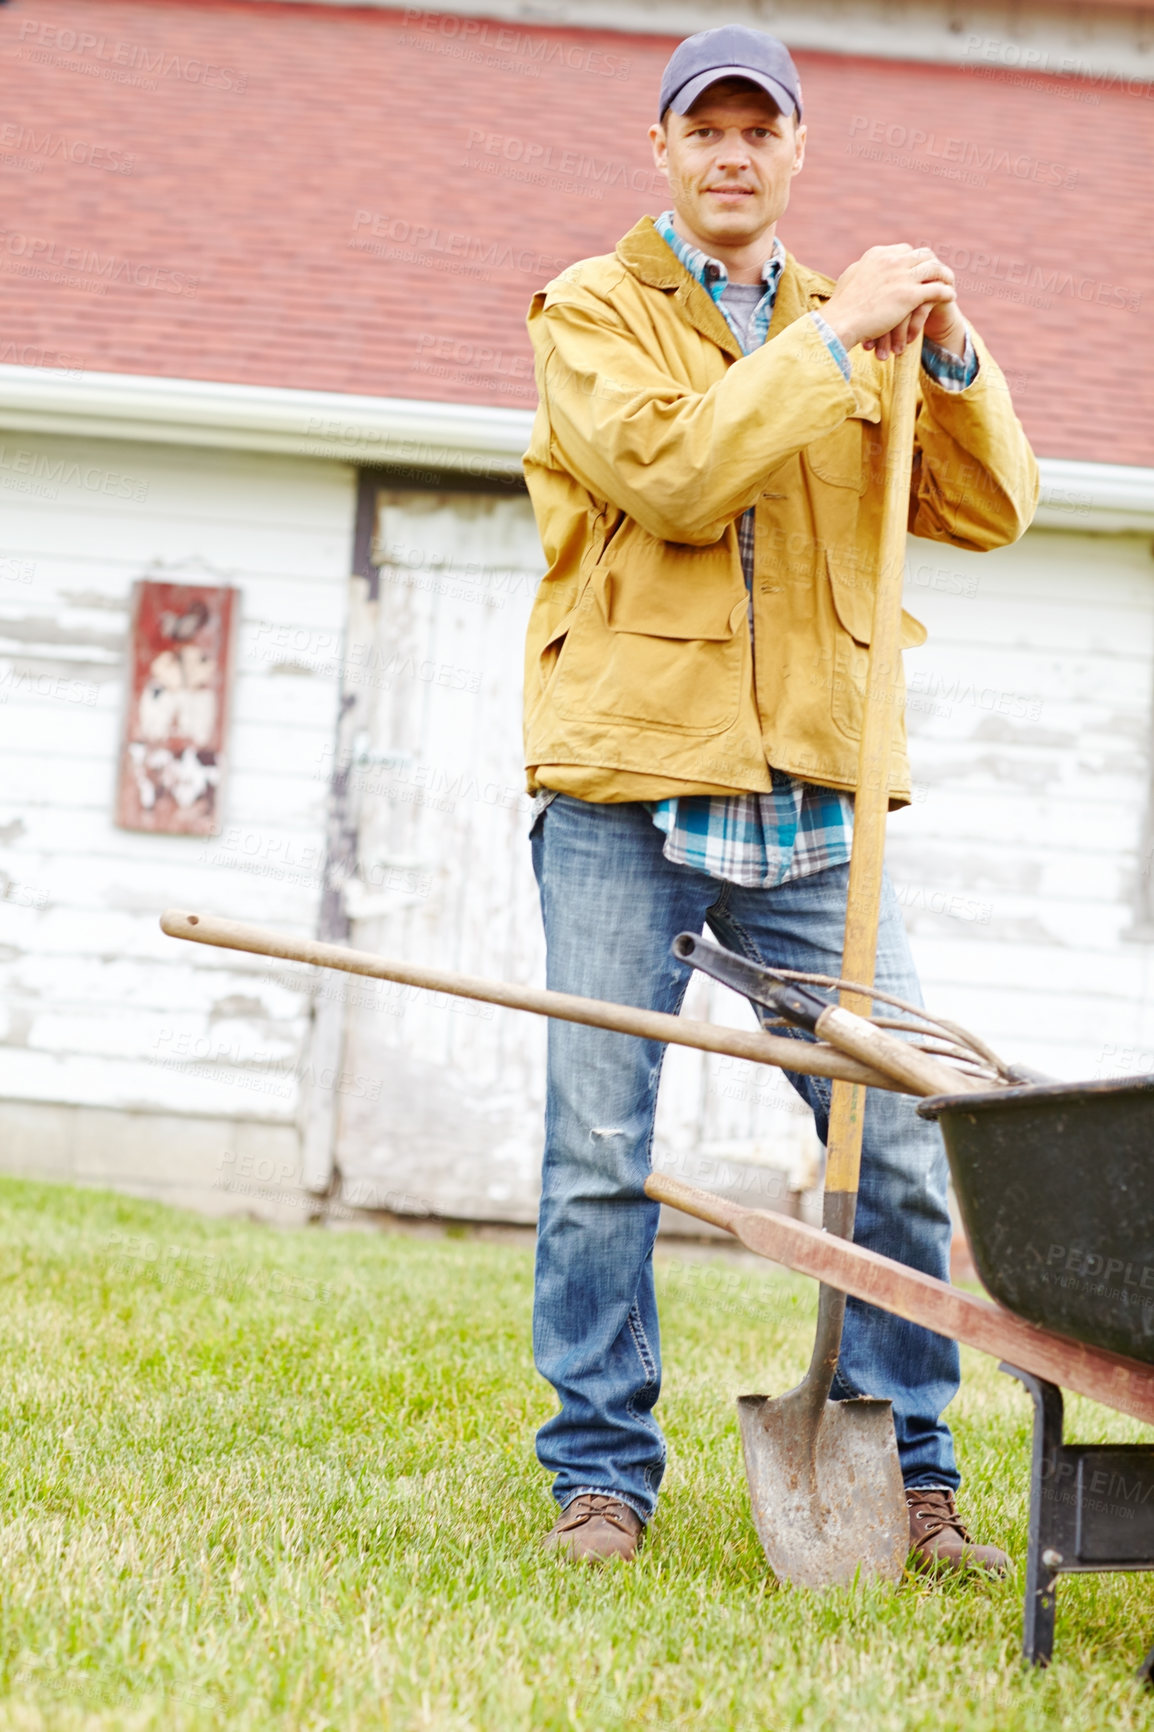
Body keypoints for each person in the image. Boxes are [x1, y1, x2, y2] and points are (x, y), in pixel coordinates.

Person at [521, 24, 1038, 1569]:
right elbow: (675, 476)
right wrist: (833, 348)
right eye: (706, 130)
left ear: (797, 150)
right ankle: (601, 1479)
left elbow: (991, 507)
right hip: (628, 783)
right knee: (598, 1149)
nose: (733, 154)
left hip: (812, 794)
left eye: (762, 129)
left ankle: (911, 1467)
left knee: (883, 1144)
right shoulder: (592, 310)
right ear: (663, 151)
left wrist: (943, 357)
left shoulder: (862, 321)